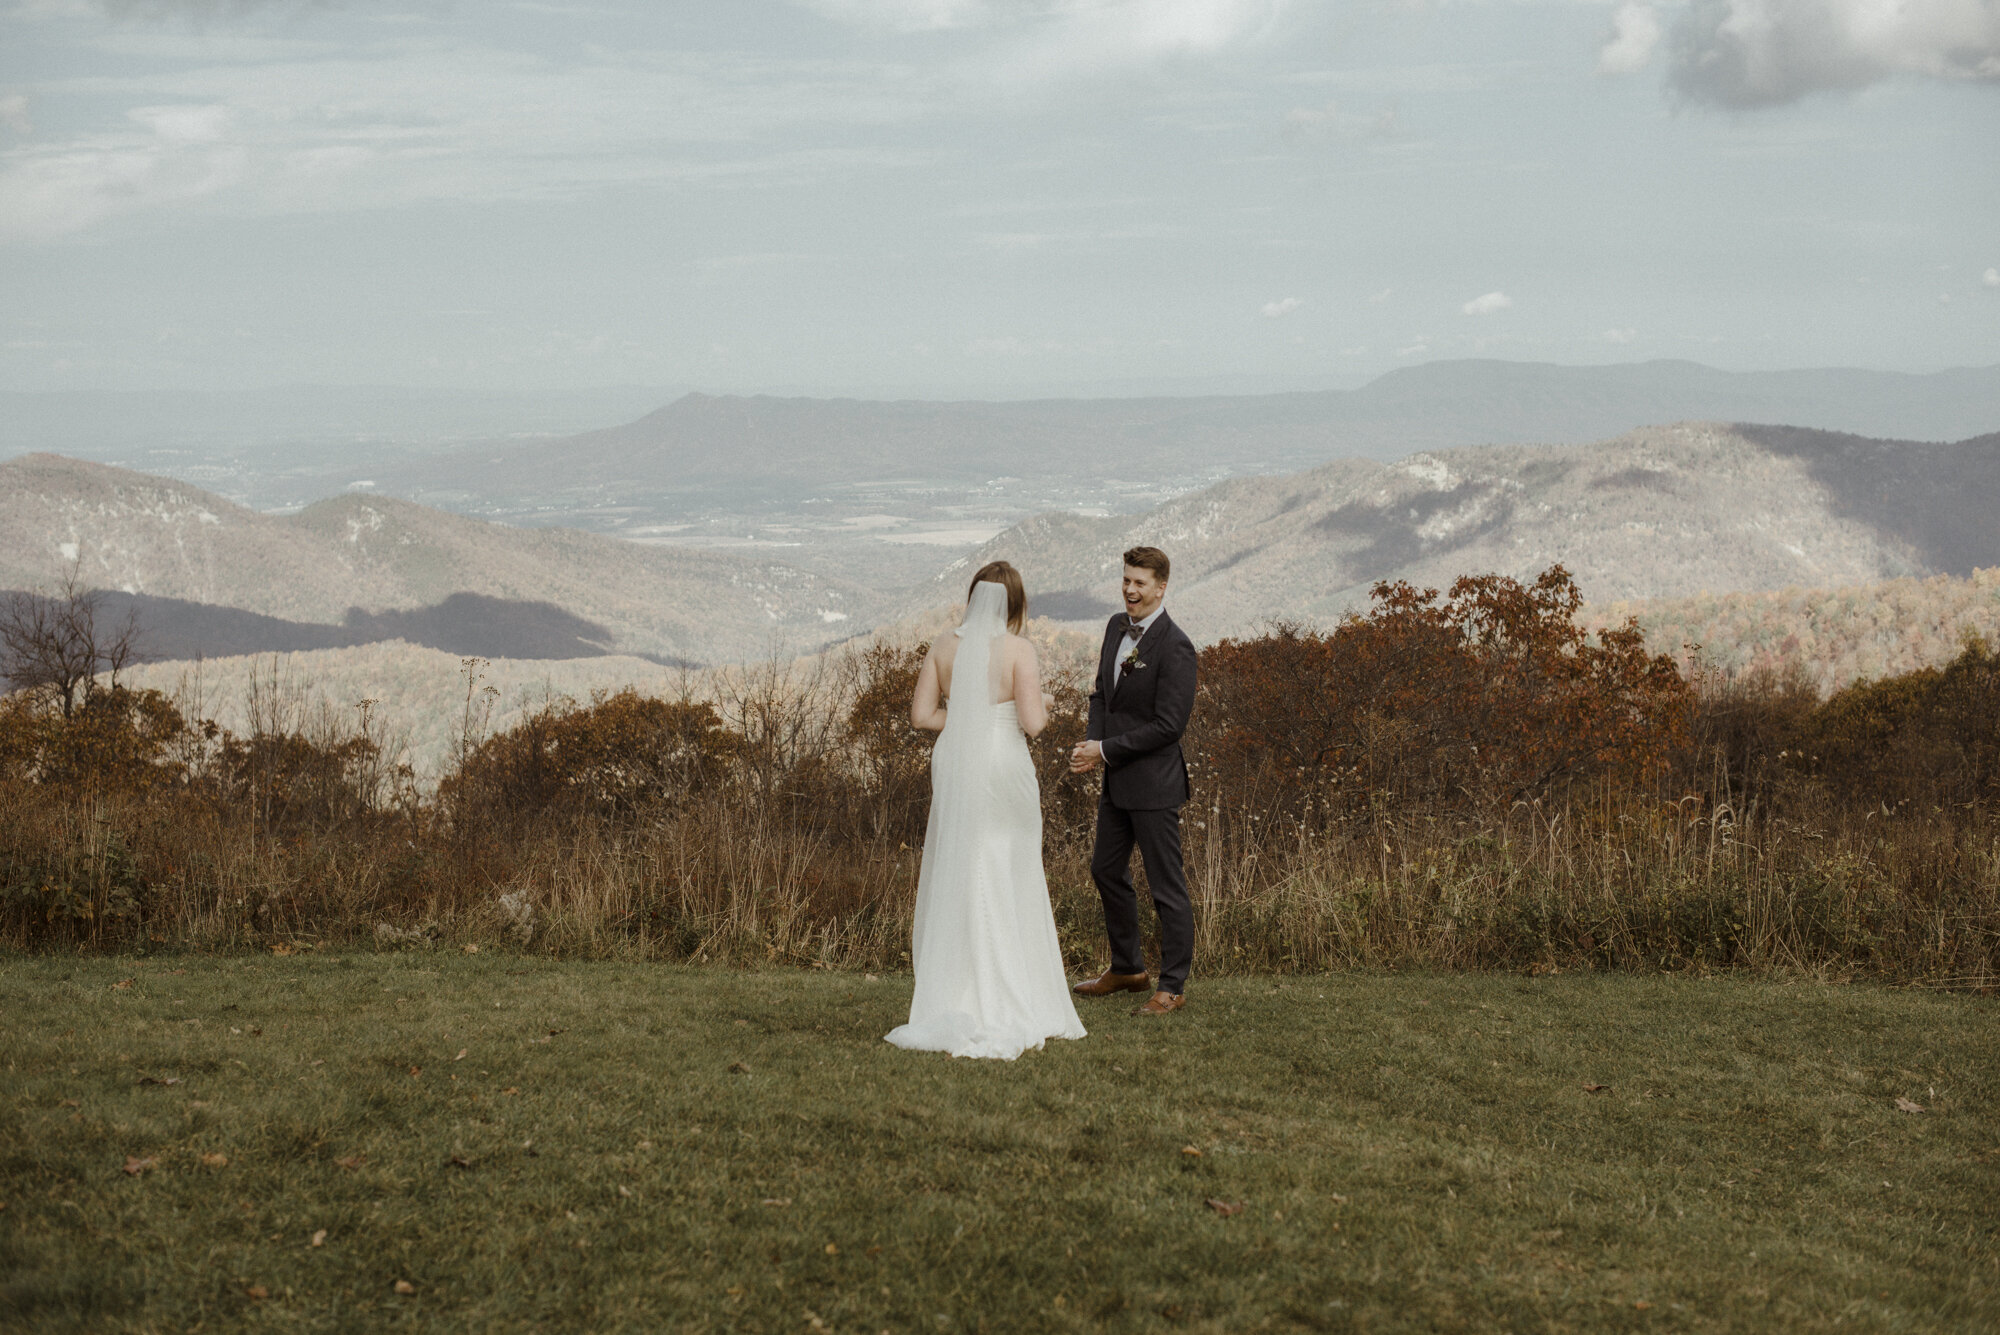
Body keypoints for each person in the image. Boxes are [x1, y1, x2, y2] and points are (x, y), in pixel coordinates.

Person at [885, 562, 1087, 1060]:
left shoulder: (943, 647)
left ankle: (956, 991)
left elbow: (921, 715)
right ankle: (1013, 990)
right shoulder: (1020, 650)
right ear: (1016, 604)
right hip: (1002, 761)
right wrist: (1047, 703)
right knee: (1010, 865)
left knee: (963, 862)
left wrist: (967, 716)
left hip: (955, 757)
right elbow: (1034, 723)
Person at [1069, 546, 1197, 1016]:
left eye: (1140, 583)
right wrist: (1091, 744)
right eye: (1126, 580)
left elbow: (1169, 727)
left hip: (1155, 786)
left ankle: (1173, 985)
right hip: (1116, 781)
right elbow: (1103, 694)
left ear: (1161, 588)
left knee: (1167, 886)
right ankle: (1128, 968)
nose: (1129, 589)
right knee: (1105, 869)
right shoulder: (1114, 627)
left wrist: (1104, 751)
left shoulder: (1177, 646)